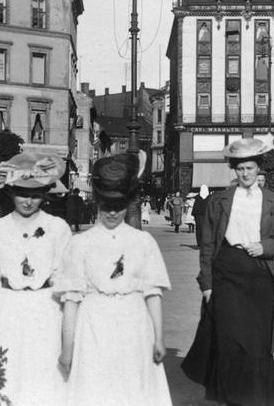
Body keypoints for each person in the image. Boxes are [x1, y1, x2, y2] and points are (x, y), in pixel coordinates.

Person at [182, 137, 274, 406]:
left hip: (258, 273)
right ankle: (228, 397)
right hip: (226, 272)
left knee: (257, 341)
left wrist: (264, 246)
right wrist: (206, 283)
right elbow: (207, 244)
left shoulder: (273, 201)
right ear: (234, 169)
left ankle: (257, 398)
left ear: (259, 170)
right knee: (229, 338)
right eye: (240, 169)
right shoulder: (220, 200)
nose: (245, 174)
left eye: (250, 169)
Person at [57, 153, 172, 405]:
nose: (111, 212)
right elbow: (71, 300)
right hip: (94, 324)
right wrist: (67, 348)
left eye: (118, 206)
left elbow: (153, 293)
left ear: (129, 203)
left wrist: (159, 337)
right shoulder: (80, 243)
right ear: (97, 201)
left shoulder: (142, 242)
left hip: (133, 322)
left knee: (132, 385)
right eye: (106, 205)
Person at [0, 152, 72, 405]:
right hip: (6, 309)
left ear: (46, 193)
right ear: (10, 192)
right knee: (6, 377)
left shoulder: (58, 228)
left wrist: (70, 336)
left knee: (45, 376)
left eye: (36, 195)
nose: (28, 201)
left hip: (45, 310)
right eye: (23, 193)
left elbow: (67, 284)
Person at [191, 184, 209, 248]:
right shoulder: (208, 197)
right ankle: (204, 243)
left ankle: (200, 243)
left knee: (199, 229)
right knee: (205, 229)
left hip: (198, 216)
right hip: (205, 216)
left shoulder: (198, 197)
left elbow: (195, 207)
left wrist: (194, 215)